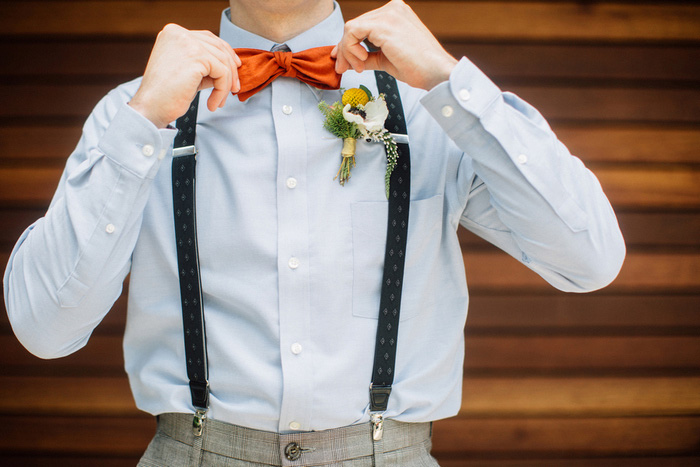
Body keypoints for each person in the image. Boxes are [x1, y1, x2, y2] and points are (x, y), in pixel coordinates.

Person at [3, 0, 625, 465]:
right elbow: (45, 330)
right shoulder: (133, 114)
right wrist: (142, 122)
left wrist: (445, 79)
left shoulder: (435, 110)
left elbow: (589, 258)